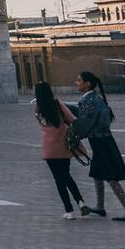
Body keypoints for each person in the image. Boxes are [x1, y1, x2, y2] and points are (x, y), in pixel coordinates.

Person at [72, 72, 125, 221]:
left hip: (101, 143)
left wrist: (75, 133)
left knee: (111, 176)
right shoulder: (95, 98)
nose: (76, 82)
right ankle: (100, 207)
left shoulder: (89, 100)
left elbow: (85, 122)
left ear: (87, 84)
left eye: (79, 80)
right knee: (97, 174)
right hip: (103, 141)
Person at [34, 81, 84, 218]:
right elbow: (71, 118)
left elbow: (40, 122)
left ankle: (69, 210)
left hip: (49, 148)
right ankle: (80, 202)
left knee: (58, 179)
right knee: (67, 175)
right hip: (63, 145)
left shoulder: (38, 107)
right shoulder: (57, 103)